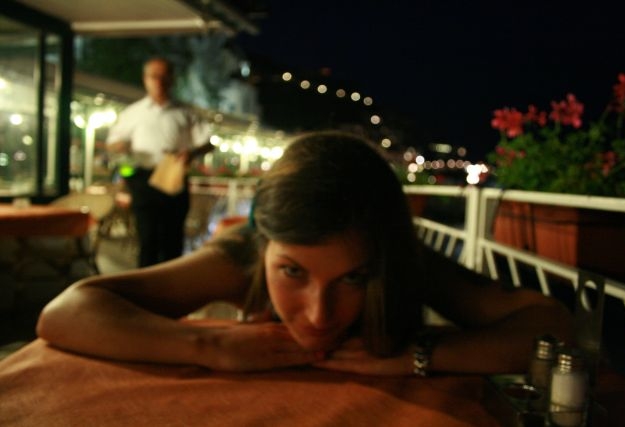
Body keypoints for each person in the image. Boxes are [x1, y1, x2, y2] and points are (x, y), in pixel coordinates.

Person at [37, 131, 572, 376]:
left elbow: (556, 327)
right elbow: (67, 312)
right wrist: (208, 345)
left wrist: (420, 357)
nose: (319, 315)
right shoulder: (240, 256)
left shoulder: (399, 255)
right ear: (264, 244)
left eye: (354, 278)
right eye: (293, 272)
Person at [106, 57, 213, 267]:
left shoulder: (186, 112)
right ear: (145, 79)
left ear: (172, 79)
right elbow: (112, 143)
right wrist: (121, 146)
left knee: (173, 238)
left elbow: (207, 143)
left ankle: (169, 281)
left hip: (173, 177)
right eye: (154, 76)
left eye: (164, 76)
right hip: (143, 178)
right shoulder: (133, 112)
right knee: (147, 237)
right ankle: (146, 280)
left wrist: (191, 153)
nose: (159, 82)